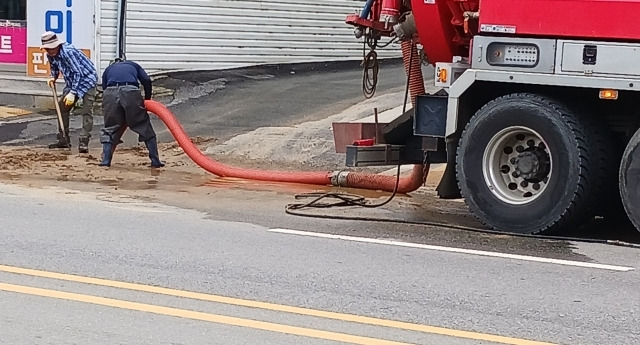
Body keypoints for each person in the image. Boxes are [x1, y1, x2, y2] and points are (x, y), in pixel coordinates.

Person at [99, 58, 164, 168]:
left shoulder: (108, 69)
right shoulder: (133, 65)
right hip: (131, 91)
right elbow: (146, 80)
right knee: (143, 125)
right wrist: (147, 99)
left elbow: (104, 87)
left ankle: (105, 161)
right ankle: (155, 161)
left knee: (110, 127)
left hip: (110, 93)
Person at [41, 31, 98, 153]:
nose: (50, 51)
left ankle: (84, 140)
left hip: (87, 79)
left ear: (57, 45)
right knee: (62, 108)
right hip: (72, 81)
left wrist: (73, 93)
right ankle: (63, 139)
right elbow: (54, 68)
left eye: (52, 48)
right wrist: (53, 77)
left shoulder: (68, 52)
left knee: (87, 110)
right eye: (47, 49)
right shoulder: (50, 55)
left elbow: (79, 73)